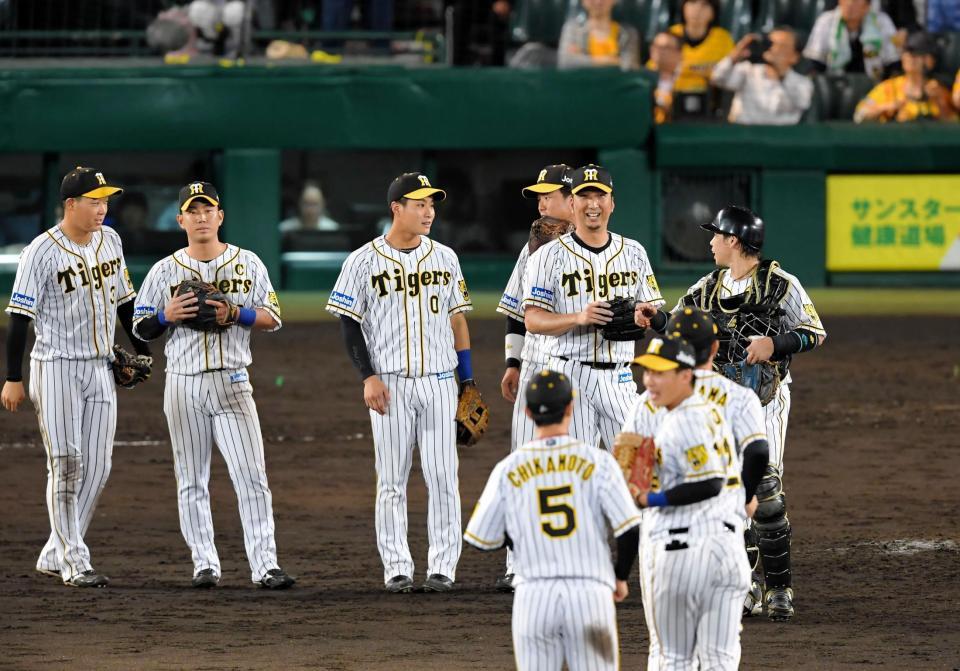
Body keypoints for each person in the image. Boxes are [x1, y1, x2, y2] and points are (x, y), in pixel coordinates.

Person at [638, 205, 827, 621]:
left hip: (765, 400)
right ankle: (745, 584)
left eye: (716, 236)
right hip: (717, 401)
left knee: (765, 492)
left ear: (734, 242)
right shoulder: (706, 287)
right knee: (730, 492)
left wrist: (776, 345)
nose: (709, 242)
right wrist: (657, 320)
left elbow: (814, 331)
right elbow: (682, 324)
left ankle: (778, 589)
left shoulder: (782, 286)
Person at [132, 181, 295, 590]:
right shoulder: (163, 271)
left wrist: (236, 314)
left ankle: (265, 565)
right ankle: (204, 563)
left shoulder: (249, 263)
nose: (202, 217)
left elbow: (273, 317)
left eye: (208, 210)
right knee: (191, 479)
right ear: (181, 219)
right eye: (194, 210)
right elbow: (140, 327)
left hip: (233, 382)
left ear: (220, 217)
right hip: (183, 385)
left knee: (251, 476)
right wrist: (166, 316)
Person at [1, 167, 151, 587]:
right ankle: (74, 561)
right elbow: (18, 317)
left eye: (105, 201)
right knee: (67, 463)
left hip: (100, 367)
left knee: (98, 467)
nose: (102, 208)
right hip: (56, 368)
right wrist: (13, 377)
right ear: (71, 204)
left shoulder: (111, 240)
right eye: (94, 201)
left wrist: (144, 349)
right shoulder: (40, 252)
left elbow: (125, 299)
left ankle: (55, 551)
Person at [326, 172, 474, 594]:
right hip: (389, 383)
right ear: (397, 208)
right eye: (420, 204)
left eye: (432, 205)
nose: (429, 212)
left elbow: (457, 320)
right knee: (391, 479)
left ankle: (443, 567)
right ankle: (397, 567)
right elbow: (349, 325)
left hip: (440, 382)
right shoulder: (362, 260)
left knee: (444, 476)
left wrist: (468, 381)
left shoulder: (445, 257)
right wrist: (367, 376)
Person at [464, 369, 642, 671]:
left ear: (529, 412)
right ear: (571, 407)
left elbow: (482, 539)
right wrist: (620, 577)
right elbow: (629, 528)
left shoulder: (509, 469)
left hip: (534, 596)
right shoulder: (598, 462)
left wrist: (521, 531)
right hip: (590, 594)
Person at [620, 307, 770, 620]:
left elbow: (630, 467)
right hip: (722, 531)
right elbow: (757, 453)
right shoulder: (740, 397)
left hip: (664, 535)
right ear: (714, 347)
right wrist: (744, 496)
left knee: (669, 655)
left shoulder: (648, 401)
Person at [618, 334, 750, 670]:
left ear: (686, 376)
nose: (649, 381)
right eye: (647, 371)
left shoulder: (679, 422)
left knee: (672, 658)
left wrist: (650, 496)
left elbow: (709, 481)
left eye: (659, 373)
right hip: (726, 548)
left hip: (682, 551)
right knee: (720, 658)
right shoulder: (711, 411)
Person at [523, 164, 664, 453]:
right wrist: (579, 317)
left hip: (621, 378)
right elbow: (533, 320)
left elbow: (651, 308)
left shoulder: (634, 252)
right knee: (577, 472)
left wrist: (644, 315)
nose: (593, 204)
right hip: (571, 376)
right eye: (584, 196)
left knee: (637, 469)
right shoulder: (546, 256)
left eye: (600, 195)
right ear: (572, 203)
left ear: (611, 202)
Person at [494, 163, 575, 593]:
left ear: (574, 197)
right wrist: (512, 362)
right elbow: (515, 312)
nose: (542, 202)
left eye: (550, 194)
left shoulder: (609, 250)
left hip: (589, 370)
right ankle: (517, 562)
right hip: (538, 368)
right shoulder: (533, 247)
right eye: (539, 196)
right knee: (526, 464)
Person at [711, 28, 814, 125]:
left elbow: (803, 103)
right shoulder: (747, 70)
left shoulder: (802, 82)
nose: (774, 49)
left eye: (782, 46)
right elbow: (717, 77)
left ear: (795, 57)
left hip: (783, 138)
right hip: (745, 134)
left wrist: (781, 74)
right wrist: (737, 53)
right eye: (771, 44)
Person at [854, 31, 957, 122]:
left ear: (930, 61)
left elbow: (953, 127)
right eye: (906, 52)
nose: (909, 57)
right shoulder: (890, 88)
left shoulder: (939, 90)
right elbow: (859, 115)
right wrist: (888, 107)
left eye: (916, 54)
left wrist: (940, 103)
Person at [804, 0, 899, 81]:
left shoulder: (882, 22)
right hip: (834, 84)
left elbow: (893, 63)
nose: (850, 4)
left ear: (867, 6)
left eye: (856, 1)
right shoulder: (826, 21)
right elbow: (814, 62)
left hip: (873, 85)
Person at [668, 0, 735, 93]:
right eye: (692, 2)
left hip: (711, 100)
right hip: (672, 97)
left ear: (714, 11)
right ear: (683, 6)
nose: (697, 9)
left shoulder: (724, 39)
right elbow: (654, 71)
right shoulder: (670, 36)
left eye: (705, 4)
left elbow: (729, 76)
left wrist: (685, 68)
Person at [558, 0, 641, 71]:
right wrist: (610, 61)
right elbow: (565, 62)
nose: (598, 1)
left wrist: (583, 59)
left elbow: (631, 66)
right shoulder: (573, 29)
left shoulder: (627, 33)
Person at [647, 31, 683, 124]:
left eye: (666, 47)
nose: (659, 51)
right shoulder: (640, 80)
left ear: (679, 54)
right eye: (656, 46)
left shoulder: (688, 80)